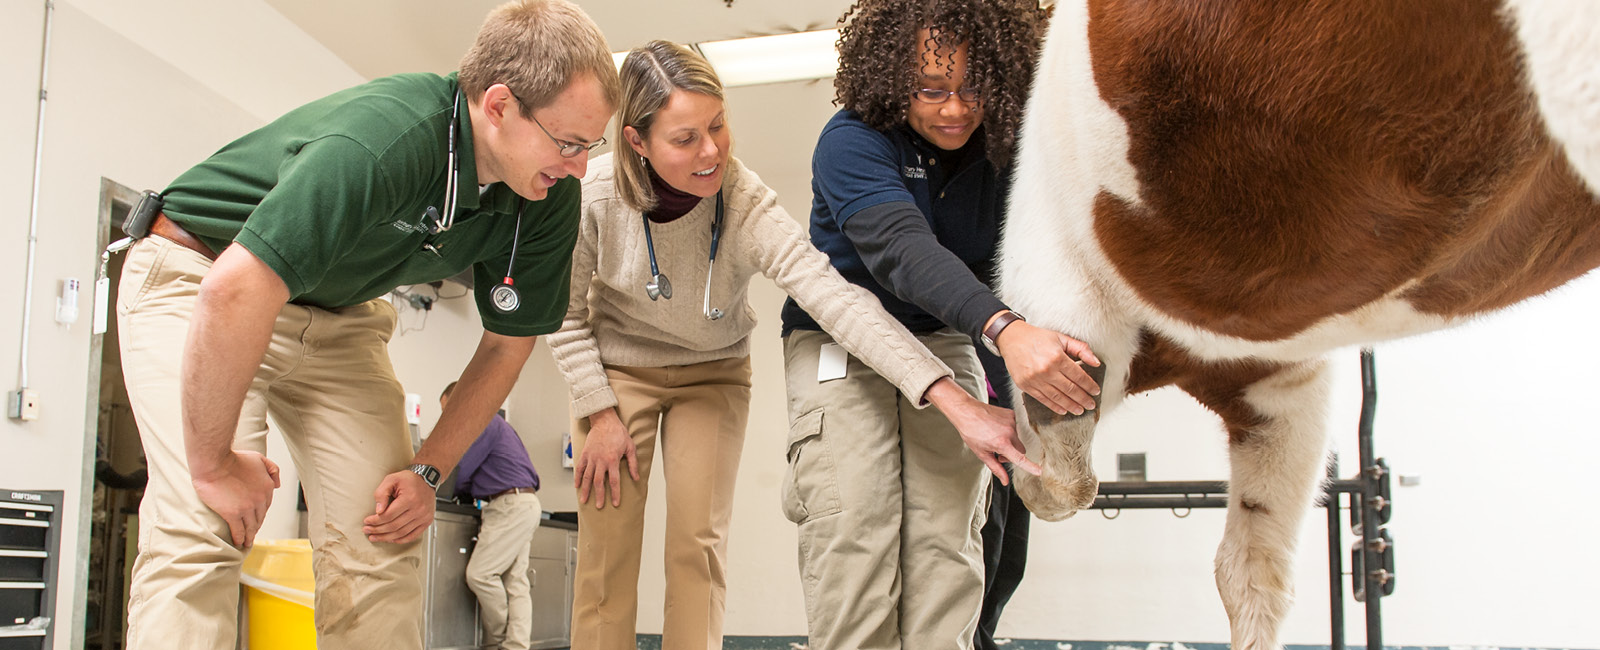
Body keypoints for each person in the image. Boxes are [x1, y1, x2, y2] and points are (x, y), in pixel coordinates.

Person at [114, 2, 618, 648]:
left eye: (590, 145)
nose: (579, 166)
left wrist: (428, 471)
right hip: (201, 273)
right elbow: (234, 290)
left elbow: (508, 344)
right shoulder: (391, 138)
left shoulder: (546, 196)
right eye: (569, 143)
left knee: (382, 538)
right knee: (202, 528)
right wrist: (212, 465)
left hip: (339, 315)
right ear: (498, 108)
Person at [545, 40, 1021, 650]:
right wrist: (598, 409)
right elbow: (559, 313)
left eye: (717, 125)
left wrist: (953, 398)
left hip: (711, 371)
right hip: (614, 372)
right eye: (685, 138)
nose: (711, 150)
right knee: (607, 554)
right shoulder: (593, 195)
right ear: (637, 142)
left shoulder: (743, 200)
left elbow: (834, 297)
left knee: (697, 547)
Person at [777, 1, 1099, 648]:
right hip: (842, 341)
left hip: (949, 335)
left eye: (972, 87)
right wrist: (1007, 330)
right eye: (930, 90)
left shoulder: (1009, 151)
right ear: (894, 77)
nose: (954, 109)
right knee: (857, 532)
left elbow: (1040, 263)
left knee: (947, 544)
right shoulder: (852, 141)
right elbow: (904, 249)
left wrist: (1049, 419)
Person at [442, 381, 542, 650]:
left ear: (460, 402)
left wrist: (435, 483)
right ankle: (516, 646)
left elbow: (461, 471)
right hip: (526, 502)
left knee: (480, 575)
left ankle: (495, 642)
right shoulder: (499, 423)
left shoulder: (481, 422)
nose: (447, 419)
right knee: (516, 582)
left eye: (447, 410)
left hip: (509, 506)